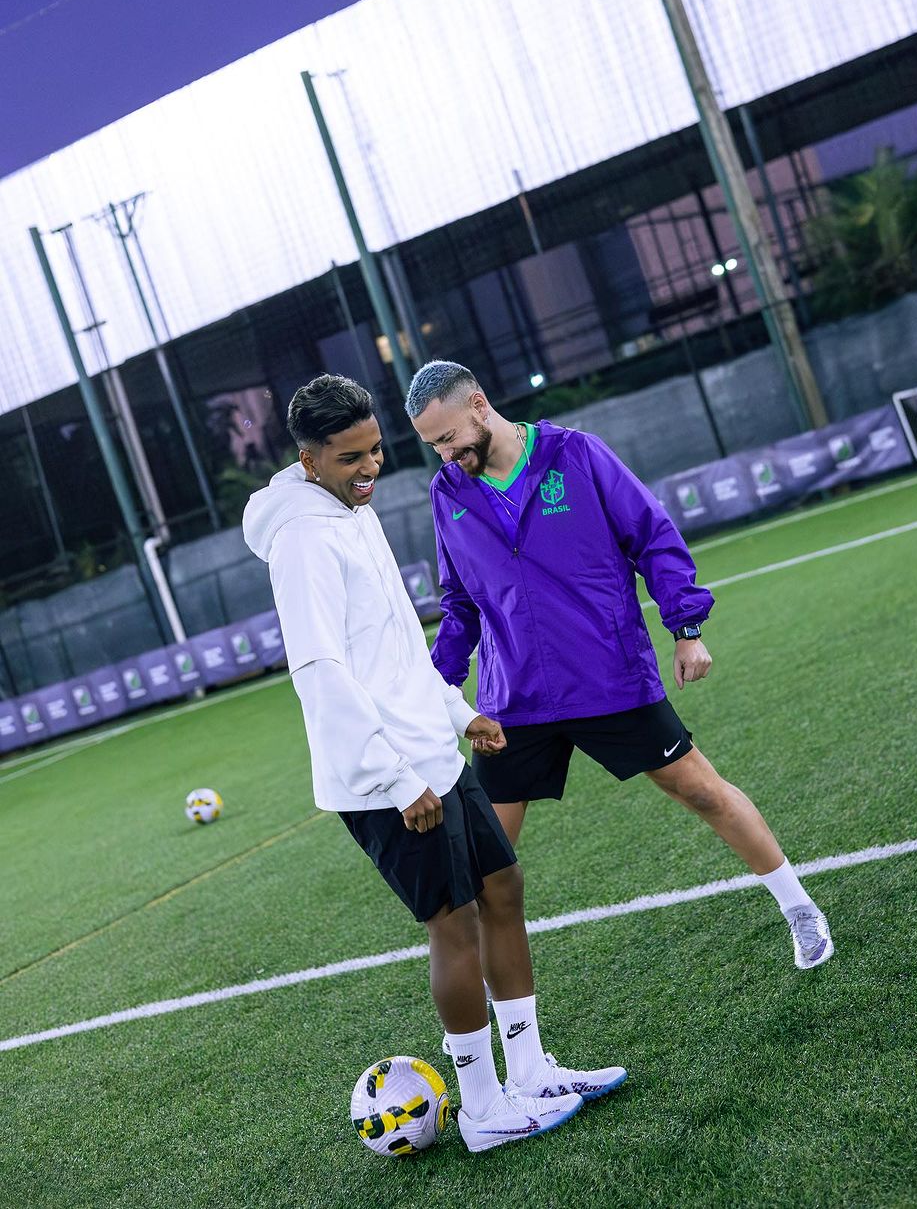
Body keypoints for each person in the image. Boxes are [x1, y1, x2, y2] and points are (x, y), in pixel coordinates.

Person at [242, 374, 625, 1154]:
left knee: (503, 885)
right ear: (308, 458)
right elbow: (320, 669)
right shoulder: (303, 537)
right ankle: (482, 1107)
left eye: (377, 447)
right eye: (351, 456)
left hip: (430, 751)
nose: (370, 466)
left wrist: (458, 713)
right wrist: (394, 778)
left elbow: (390, 643)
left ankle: (529, 1070)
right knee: (451, 925)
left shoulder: (354, 509)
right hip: (386, 779)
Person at [405, 361, 834, 971]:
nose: (445, 455)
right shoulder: (448, 491)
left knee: (703, 793)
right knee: (484, 860)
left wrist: (685, 628)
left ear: (478, 405)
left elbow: (651, 535)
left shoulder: (575, 455)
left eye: (447, 439)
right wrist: (434, 685)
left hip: (607, 676)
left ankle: (799, 909)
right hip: (515, 700)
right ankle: (482, 1022)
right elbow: (460, 604)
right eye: (433, 447)